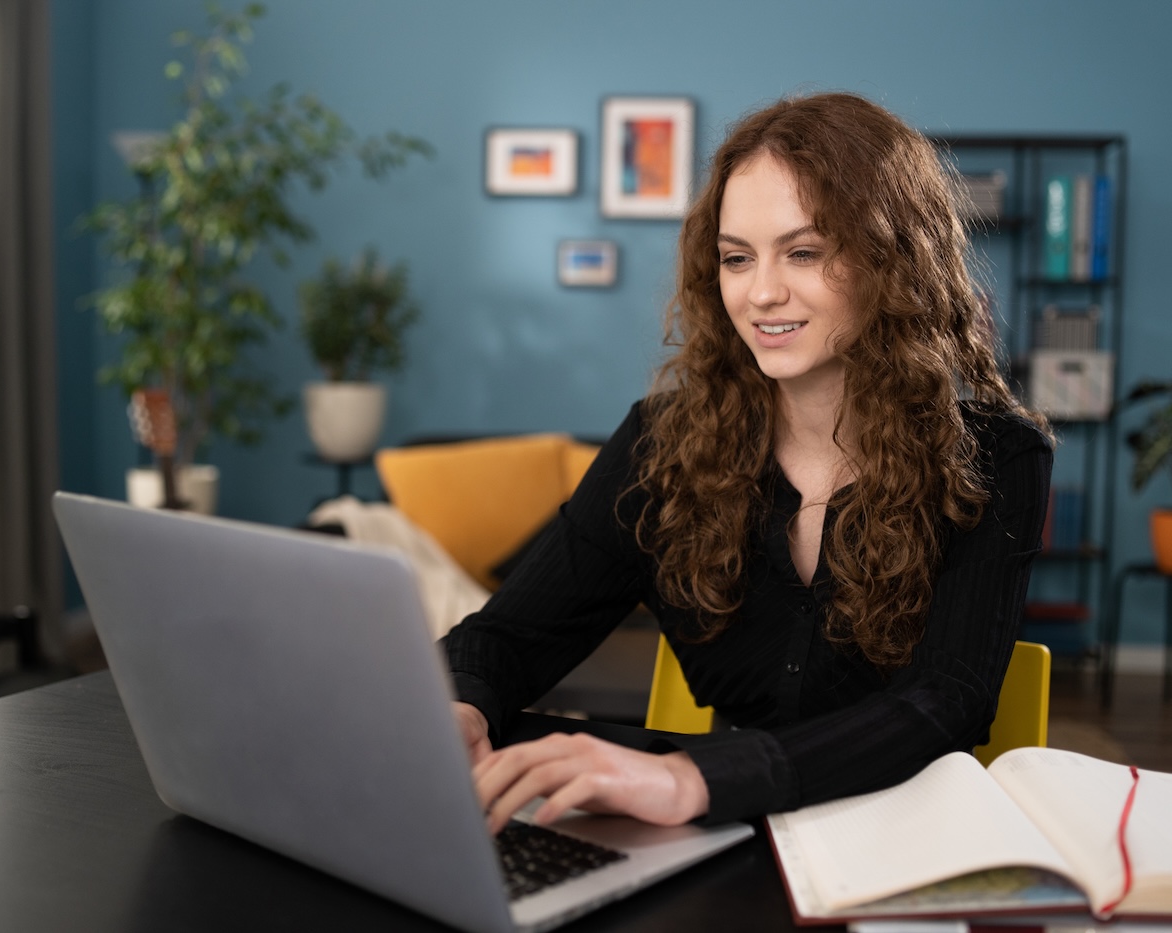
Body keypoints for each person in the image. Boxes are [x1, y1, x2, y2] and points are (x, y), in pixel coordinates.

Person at [444, 91, 1053, 833]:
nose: (761, 292)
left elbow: (941, 705)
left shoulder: (997, 456)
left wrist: (691, 777)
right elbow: (507, 638)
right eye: (737, 258)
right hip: (722, 839)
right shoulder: (659, 446)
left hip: (898, 841)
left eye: (805, 252)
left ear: (891, 258)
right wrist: (463, 704)